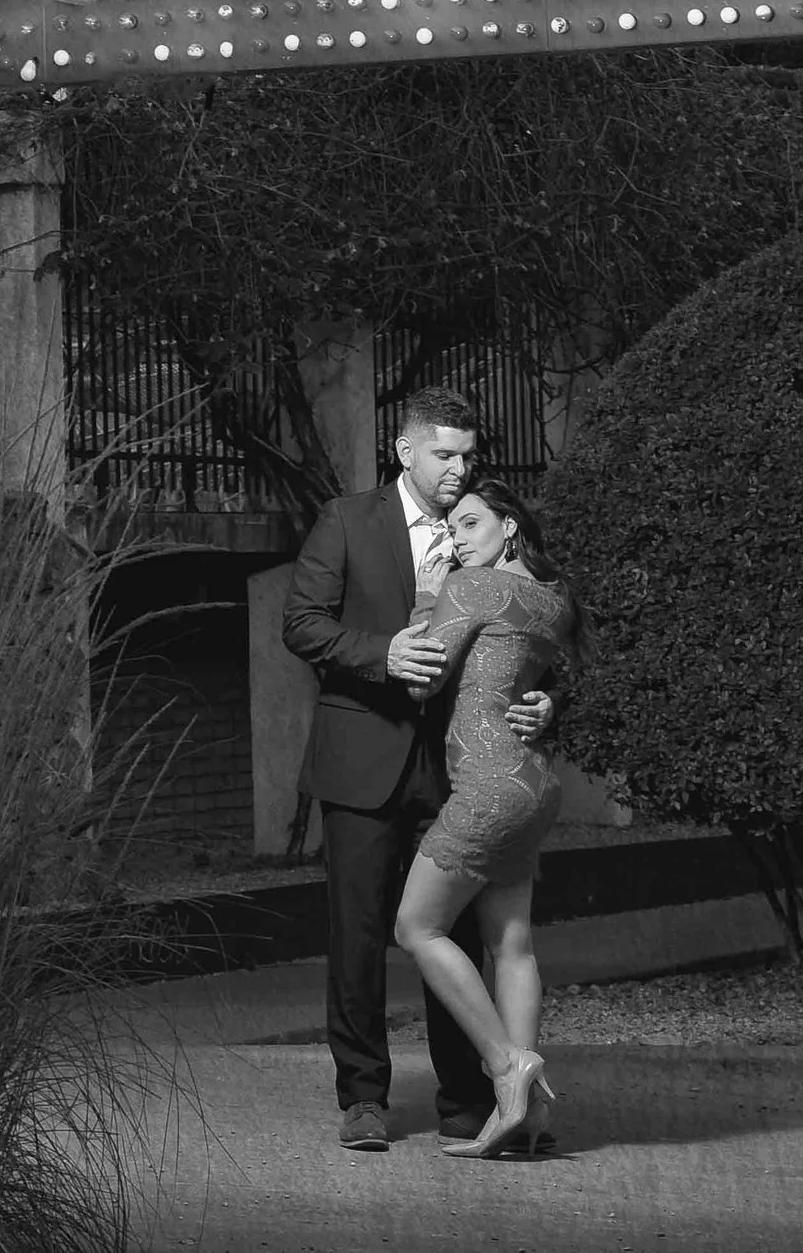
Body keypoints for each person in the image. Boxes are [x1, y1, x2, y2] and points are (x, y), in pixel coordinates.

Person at [279, 388, 556, 1154]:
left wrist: (543, 703)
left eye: (467, 454)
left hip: (457, 768)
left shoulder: (484, 533)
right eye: (444, 454)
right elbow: (301, 623)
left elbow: (525, 640)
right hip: (361, 757)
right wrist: (382, 653)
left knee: (456, 929)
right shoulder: (346, 519)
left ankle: (466, 1097)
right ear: (405, 452)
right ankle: (363, 1098)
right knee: (359, 932)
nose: (457, 468)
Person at [392, 481, 581, 1160]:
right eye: (450, 525)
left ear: (509, 525)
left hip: (489, 783)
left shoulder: (471, 585)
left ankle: (507, 1065)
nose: (459, 536)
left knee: (417, 925)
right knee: (513, 943)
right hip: (534, 780)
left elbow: (422, 678)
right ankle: (524, 1115)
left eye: (471, 522)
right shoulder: (554, 600)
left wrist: (428, 599)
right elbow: (546, 676)